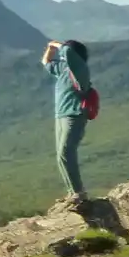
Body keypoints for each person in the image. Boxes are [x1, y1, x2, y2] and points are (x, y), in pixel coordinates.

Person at [42, 38, 91, 207]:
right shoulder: (64, 69)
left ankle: (79, 192)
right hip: (61, 115)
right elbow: (46, 62)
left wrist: (55, 44)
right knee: (61, 156)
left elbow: (68, 52)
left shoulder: (80, 69)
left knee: (66, 151)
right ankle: (72, 192)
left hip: (74, 115)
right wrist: (49, 49)